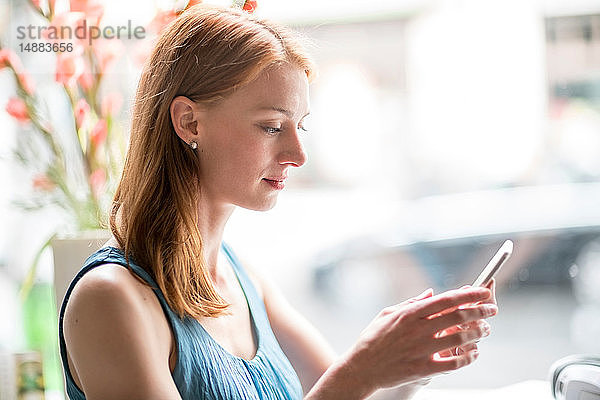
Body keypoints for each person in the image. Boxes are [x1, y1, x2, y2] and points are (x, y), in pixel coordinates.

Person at [58, 4, 498, 400]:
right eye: (271, 126)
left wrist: (410, 363)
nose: (298, 154)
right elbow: (344, 387)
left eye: (299, 127)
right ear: (189, 122)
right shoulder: (110, 300)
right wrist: (361, 371)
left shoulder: (244, 278)